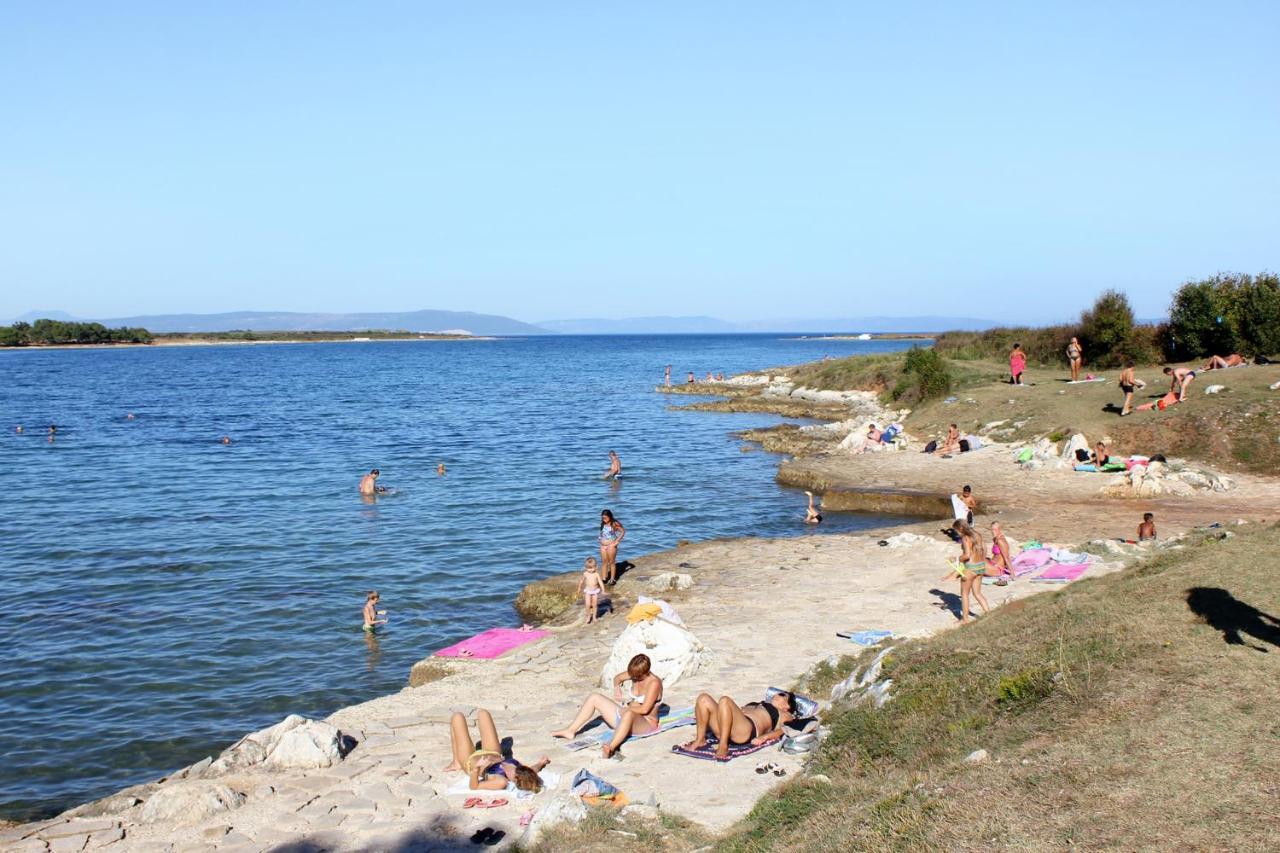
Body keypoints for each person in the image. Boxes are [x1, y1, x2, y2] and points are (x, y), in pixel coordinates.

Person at [550, 654, 663, 759]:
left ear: (645, 672)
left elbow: (645, 709)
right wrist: (617, 688)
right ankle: (571, 730)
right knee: (595, 697)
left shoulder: (654, 683)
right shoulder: (635, 674)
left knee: (628, 714)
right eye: (632, 675)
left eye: (636, 676)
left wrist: (627, 707)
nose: (633, 678)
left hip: (645, 723)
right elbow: (617, 678)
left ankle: (611, 747)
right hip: (625, 716)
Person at [444, 708, 548, 793]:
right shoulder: (521, 770)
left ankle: (457, 761)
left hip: (470, 761)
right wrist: (541, 763)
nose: (513, 770)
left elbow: (474, 786)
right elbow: (534, 769)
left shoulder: (501, 781)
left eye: (514, 774)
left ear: (515, 780)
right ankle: (457, 761)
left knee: (457, 717)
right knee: (483, 713)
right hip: (493, 752)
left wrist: (477, 768)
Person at [682, 690, 799, 760]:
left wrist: (765, 737)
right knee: (703, 698)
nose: (777, 694)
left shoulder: (785, 714)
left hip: (746, 730)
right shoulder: (760, 704)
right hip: (728, 726)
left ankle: (723, 745)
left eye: (782, 695)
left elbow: (785, 729)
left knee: (725, 700)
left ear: (787, 706)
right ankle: (700, 739)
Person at [940, 520, 991, 624]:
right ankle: (989, 613)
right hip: (980, 566)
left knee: (964, 595)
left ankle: (965, 619)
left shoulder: (965, 538)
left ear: (960, 528)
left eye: (956, 530)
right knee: (977, 593)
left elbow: (967, 555)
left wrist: (959, 558)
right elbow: (984, 549)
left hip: (970, 568)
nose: (956, 533)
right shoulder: (977, 535)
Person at [598, 510, 625, 585]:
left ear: (609, 516)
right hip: (603, 545)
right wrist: (600, 540)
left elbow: (623, 531)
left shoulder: (614, 523)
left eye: (605, 518)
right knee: (604, 562)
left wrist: (617, 541)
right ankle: (604, 578)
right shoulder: (603, 523)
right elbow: (603, 533)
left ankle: (612, 579)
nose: (604, 519)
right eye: (603, 518)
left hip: (611, 545)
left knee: (611, 562)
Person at [578, 557, 604, 624]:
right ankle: (588, 616)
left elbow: (600, 582)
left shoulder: (596, 574)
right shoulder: (585, 574)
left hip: (595, 591)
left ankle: (594, 617)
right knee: (587, 604)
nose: (590, 570)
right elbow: (581, 581)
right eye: (588, 568)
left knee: (594, 605)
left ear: (596, 567)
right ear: (585, 567)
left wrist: (603, 590)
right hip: (588, 591)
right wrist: (579, 588)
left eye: (591, 568)